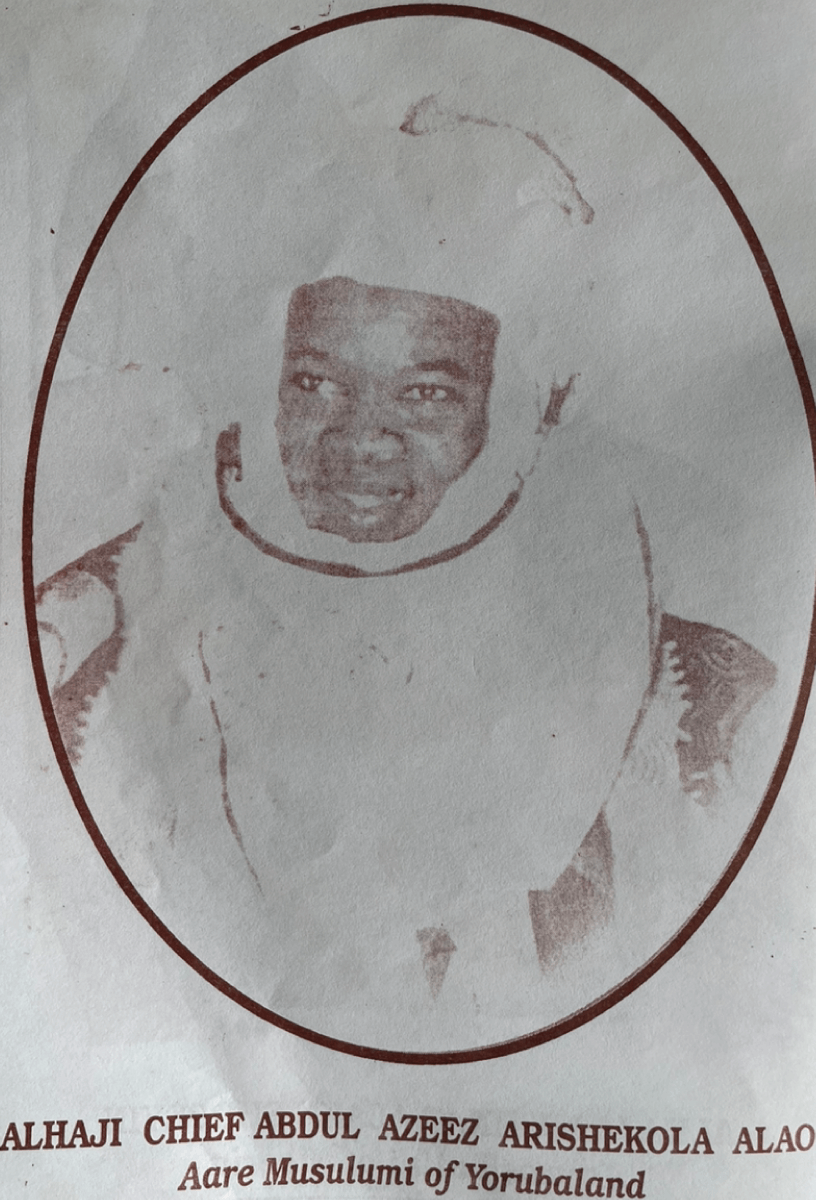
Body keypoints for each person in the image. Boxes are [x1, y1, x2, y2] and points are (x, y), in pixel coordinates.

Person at [33, 84, 780, 1051]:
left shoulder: (713, 716)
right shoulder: (73, 673)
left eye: (427, 393)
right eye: (314, 383)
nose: (360, 440)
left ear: (518, 410)